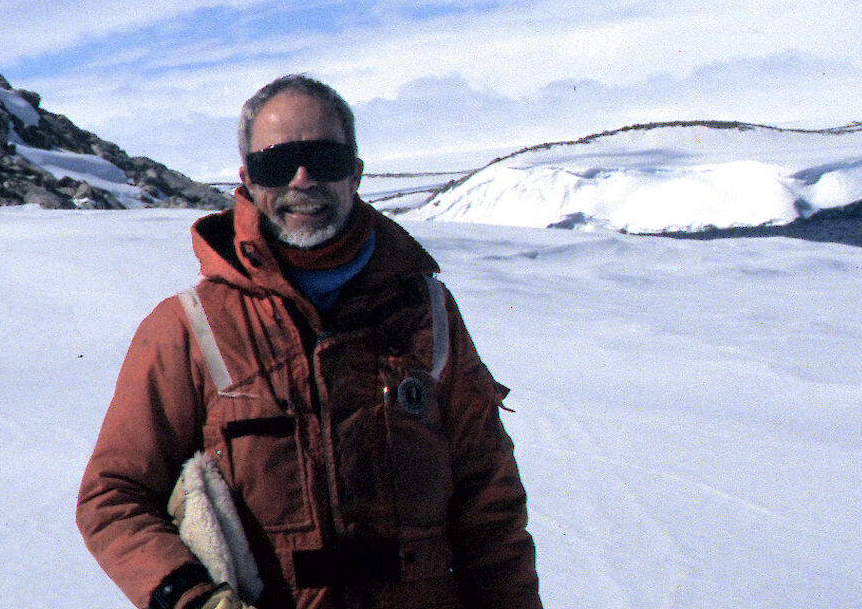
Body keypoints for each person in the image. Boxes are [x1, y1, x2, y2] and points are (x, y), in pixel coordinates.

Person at [77, 74, 541, 609]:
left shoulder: (428, 314)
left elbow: (491, 505)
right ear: (248, 180)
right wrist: (193, 599)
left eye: (325, 159)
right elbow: (114, 497)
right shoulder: (187, 327)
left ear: (357, 172)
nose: (302, 179)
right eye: (278, 163)